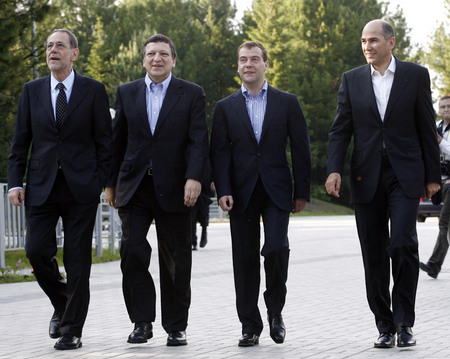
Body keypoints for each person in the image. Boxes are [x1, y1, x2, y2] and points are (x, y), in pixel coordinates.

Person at [325, 19, 441, 349]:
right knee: (373, 254)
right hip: (366, 177)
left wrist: (432, 176)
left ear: (391, 42)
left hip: (405, 175)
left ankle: (405, 322)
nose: (367, 46)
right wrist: (334, 169)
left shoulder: (415, 75)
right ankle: (385, 324)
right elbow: (340, 131)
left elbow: (425, 125)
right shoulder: (352, 80)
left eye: (373, 40)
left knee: (403, 244)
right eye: (363, 41)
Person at [7, 29, 112, 350]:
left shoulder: (93, 91)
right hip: (40, 187)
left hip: (81, 189)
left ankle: (71, 329)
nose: (53, 50)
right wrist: (14, 181)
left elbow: (104, 144)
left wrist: (103, 183)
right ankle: (63, 298)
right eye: (49, 46)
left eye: (60, 46)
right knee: (37, 251)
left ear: (74, 53)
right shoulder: (32, 90)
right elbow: (21, 141)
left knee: (78, 261)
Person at [105, 34, 208, 347]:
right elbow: (117, 141)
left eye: (164, 54)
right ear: (144, 60)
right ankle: (141, 321)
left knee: (176, 261)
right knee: (132, 251)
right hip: (134, 187)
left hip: (177, 188)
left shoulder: (191, 93)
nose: (157, 59)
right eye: (151, 54)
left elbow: (198, 140)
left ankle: (176, 326)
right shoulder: (127, 92)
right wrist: (110, 182)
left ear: (173, 60)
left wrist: (195, 177)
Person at [210, 41, 312, 347]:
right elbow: (219, 154)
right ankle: (249, 325)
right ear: (238, 66)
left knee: (276, 249)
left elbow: (301, 148)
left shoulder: (287, 102)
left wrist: (302, 191)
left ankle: (275, 312)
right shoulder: (225, 107)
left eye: (255, 59)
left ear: (266, 64)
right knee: (244, 259)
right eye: (243, 60)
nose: (249, 64)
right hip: (240, 193)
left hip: (277, 190)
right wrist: (223, 189)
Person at [420, 95, 450, 278]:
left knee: (444, 224)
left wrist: (439, 141)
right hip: (441, 181)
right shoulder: (437, 127)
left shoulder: (439, 134)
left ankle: (434, 264)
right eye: (443, 107)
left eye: (449, 106)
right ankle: (434, 265)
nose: (446, 109)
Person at [191, 162, 214, 250]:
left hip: (205, 186)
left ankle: (204, 232)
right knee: (192, 217)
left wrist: (214, 180)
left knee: (204, 214)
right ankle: (193, 241)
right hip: (192, 183)